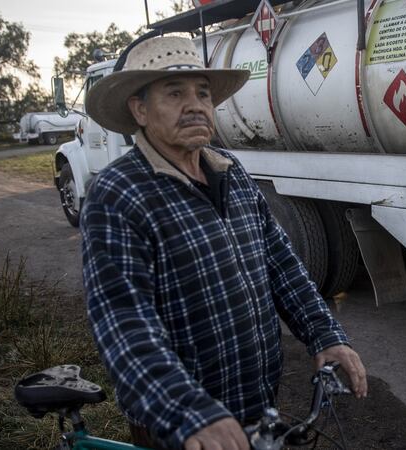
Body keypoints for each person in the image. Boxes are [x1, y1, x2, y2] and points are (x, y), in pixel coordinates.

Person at [80, 36, 367, 450]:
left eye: (202, 92)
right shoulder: (119, 194)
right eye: (174, 93)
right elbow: (124, 323)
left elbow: (281, 264)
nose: (195, 104)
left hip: (254, 402)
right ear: (139, 109)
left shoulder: (231, 172)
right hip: (183, 425)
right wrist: (188, 411)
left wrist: (325, 334)